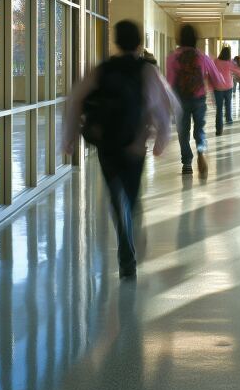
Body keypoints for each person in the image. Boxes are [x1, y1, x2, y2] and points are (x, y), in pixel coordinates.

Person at [62, 20, 175, 279]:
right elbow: (163, 106)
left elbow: (76, 98)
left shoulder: (102, 69)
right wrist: (160, 140)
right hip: (134, 145)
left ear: (117, 41)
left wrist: (68, 137)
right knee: (132, 198)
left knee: (116, 196)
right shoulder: (147, 70)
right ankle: (130, 237)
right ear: (139, 43)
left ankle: (126, 247)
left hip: (107, 144)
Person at [166, 24, 224, 177]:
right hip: (198, 99)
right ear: (195, 39)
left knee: (183, 133)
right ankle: (200, 151)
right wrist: (210, 86)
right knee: (199, 130)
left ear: (179, 39)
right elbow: (218, 79)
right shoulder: (202, 57)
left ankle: (186, 163)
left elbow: (170, 83)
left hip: (180, 101)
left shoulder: (172, 57)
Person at [213, 46, 240, 135]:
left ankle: (219, 129)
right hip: (228, 87)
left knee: (219, 109)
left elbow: (211, 72)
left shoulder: (216, 61)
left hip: (218, 87)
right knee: (228, 103)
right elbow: (238, 71)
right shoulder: (229, 62)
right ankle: (229, 119)